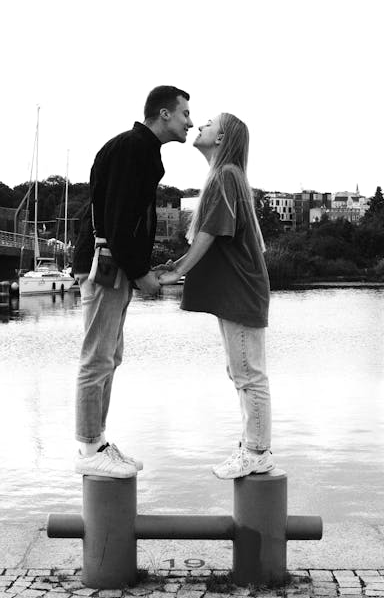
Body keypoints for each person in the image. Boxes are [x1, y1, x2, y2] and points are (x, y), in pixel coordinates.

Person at [72, 86, 193, 478]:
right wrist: (142, 273)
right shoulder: (133, 150)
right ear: (163, 114)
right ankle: (90, 446)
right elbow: (118, 218)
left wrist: (139, 267)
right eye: (184, 114)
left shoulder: (136, 149)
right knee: (97, 357)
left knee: (110, 356)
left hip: (110, 264)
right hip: (106, 265)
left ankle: (99, 442)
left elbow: (119, 217)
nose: (190, 122)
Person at [159, 113, 274, 479]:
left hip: (240, 290)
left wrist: (177, 271)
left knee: (248, 375)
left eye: (207, 124)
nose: (198, 127)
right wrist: (176, 265)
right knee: (241, 371)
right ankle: (251, 448)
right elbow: (213, 235)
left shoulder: (226, 176)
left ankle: (256, 452)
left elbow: (210, 232)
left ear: (222, 138)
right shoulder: (227, 177)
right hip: (239, 289)